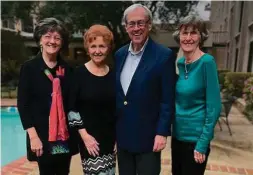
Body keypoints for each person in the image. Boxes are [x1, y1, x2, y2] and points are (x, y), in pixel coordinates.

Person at [115, 4, 176, 175]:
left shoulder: (163, 56)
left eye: (140, 23)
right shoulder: (119, 55)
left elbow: (167, 99)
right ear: (126, 27)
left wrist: (162, 132)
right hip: (123, 136)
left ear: (149, 25)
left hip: (149, 138)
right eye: (131, 24)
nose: (136, 28)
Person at [17, 17, 79, 175]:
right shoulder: (29, 68)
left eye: (57, 38)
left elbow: (73, 105)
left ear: (62, 42)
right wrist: (33, 137)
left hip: (63, 136)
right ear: (40, 40)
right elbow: (23, 105)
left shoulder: (68, 69)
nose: (52, 41)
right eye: (48, 36)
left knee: (63, 172)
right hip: (41, 136)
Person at [171, 15, 222, 175]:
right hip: (177, 138)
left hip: (195, 140)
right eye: (184, 33)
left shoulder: (207, 62)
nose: (188, 38)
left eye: (193, 33)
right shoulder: (180, 64)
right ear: (178, 36)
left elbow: (214, 106)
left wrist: (202, 143)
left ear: (201, 37)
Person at [68, 24, 116, 175]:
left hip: (110, 140)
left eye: (102, 46)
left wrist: (117, 138)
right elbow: (71, 108)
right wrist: (85, 137)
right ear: (87, 49)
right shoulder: (78, 74)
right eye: (93, 46)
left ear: (108, 48)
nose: (97, 51)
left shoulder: (114, 74)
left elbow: (117, 108)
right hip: (90, 141)